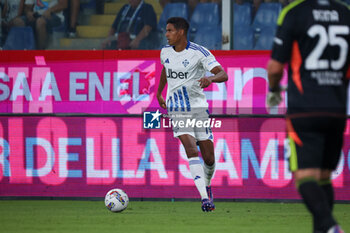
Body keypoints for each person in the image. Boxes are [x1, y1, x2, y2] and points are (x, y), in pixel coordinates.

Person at [266, 0, 350, 232]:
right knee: (323, 176)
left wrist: (273, 91)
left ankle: (331, 226)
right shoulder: (345, 12)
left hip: (305, 108)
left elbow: (274, 68)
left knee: (304, 177)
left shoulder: (294, 13)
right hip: (337, 109)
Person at [157, 17, 228, 212]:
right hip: (176, 107)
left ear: (180, 32)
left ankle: (207, 184)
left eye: (170, 30)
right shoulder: (165, 52)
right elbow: (166, 70)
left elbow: (223, 73)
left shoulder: (199, 53)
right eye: (166, 30)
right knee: (190, 149)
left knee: (209, 158)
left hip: (198, 108)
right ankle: (205, 199)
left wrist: (210, 78)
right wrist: (159, 92)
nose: (166, 34)